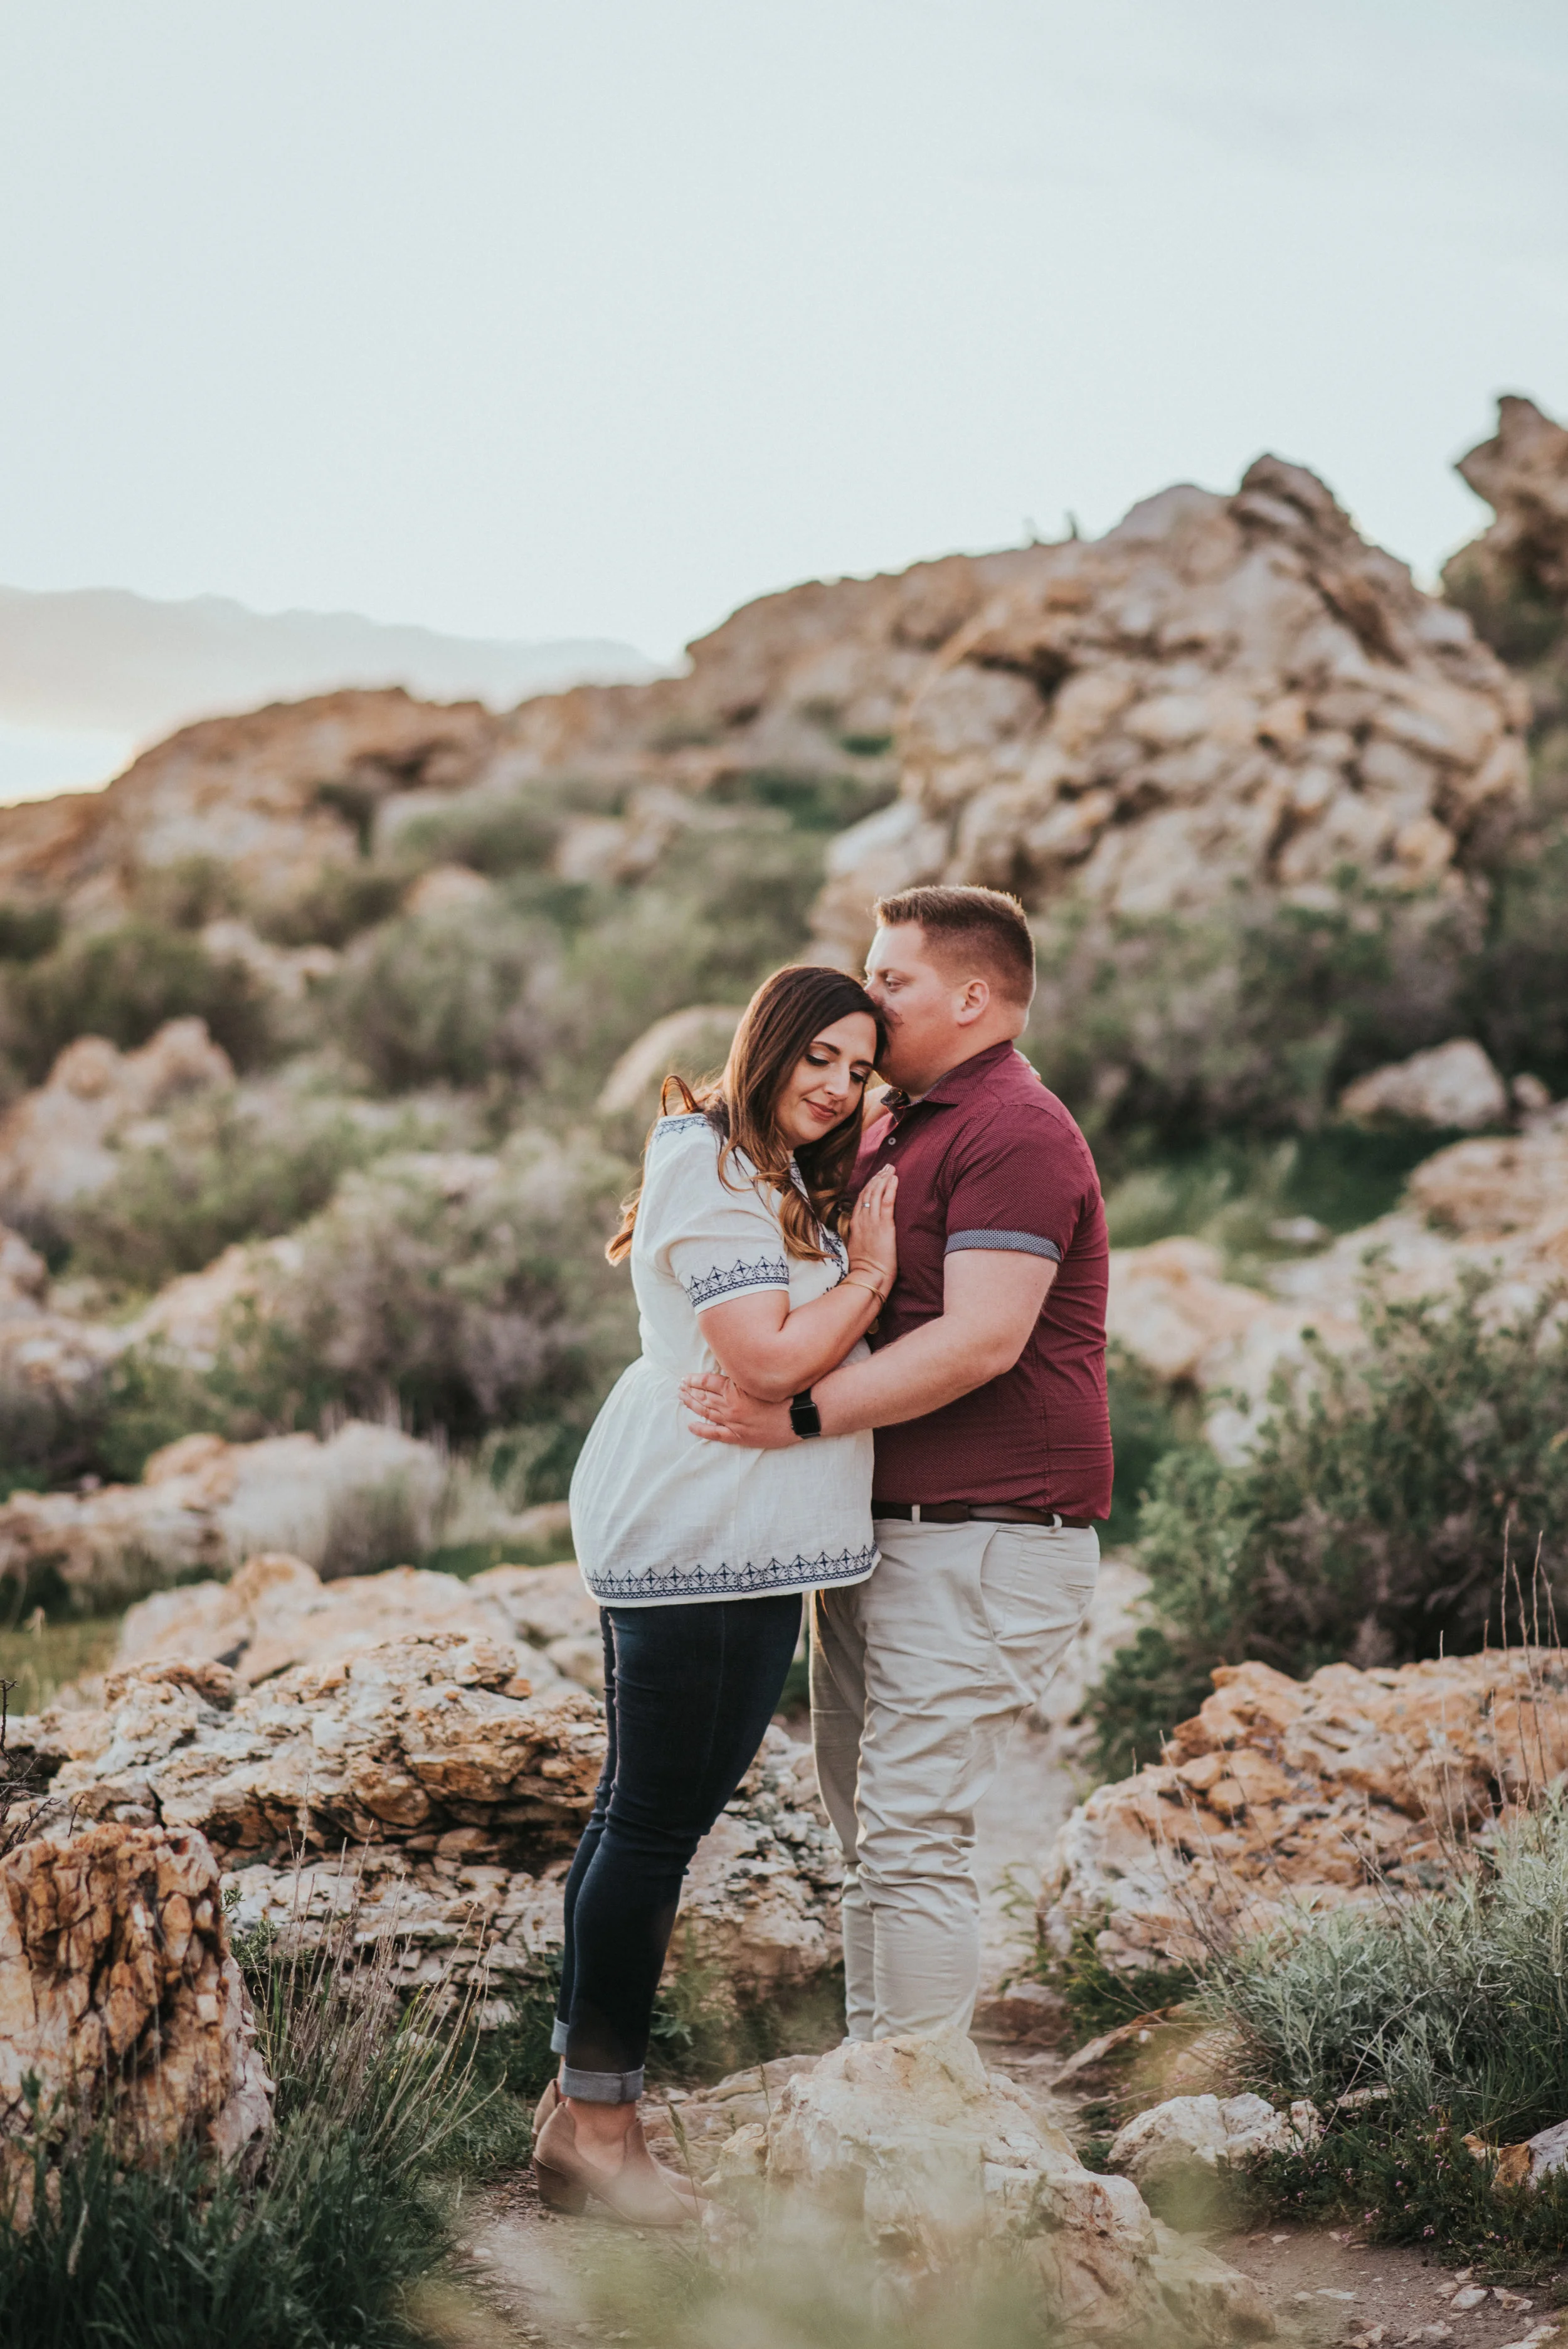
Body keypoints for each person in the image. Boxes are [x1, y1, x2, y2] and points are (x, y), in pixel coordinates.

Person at [682, 884, 1111, 2047]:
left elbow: (982, 1340)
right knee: (868, 1838)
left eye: (892, 978)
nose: (870, 996)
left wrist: (798, 1418)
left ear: (972, 997)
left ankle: (919, 2119)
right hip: (882, 1535)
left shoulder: (1016, 1130)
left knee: (913, 1837)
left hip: (988, 1537)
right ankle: (872, 2095)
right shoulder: (894, 1123)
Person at [533, 963, 898, 2225]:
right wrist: (870, 1273)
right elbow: (768, 1360)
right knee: (649, 1831)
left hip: (726, 1535)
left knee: (632, 1819)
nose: (836, 1086)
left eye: (860, 1071)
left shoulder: (763, 1170)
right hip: (701, 1536)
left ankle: (576, 2104)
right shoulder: (712, 1162)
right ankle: (601, 2133)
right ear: (769, 1040)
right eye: (820, 1056)